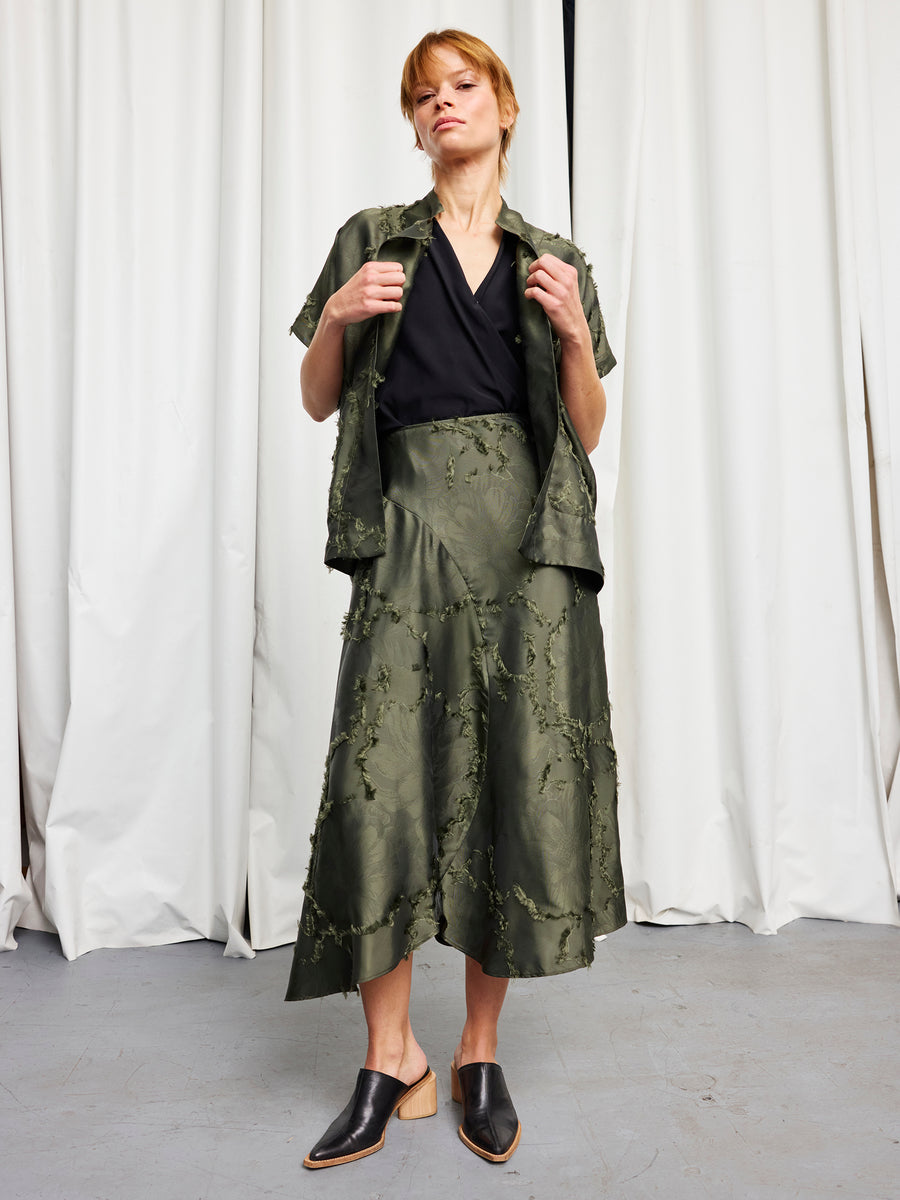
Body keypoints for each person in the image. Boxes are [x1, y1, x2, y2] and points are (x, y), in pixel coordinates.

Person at [285, 28, 627, 1169]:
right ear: (414, 123)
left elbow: (582, 428)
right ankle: (392, 1060)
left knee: (507, 792)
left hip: (525, 551)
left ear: (507, 105)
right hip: (406, 536)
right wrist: (338, 316)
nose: (443, 108)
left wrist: (576, 332)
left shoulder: (553, 258)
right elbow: (317, 401)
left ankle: (478, 1051)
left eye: (462, 87)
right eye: (423, 97)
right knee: (378, 787)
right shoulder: (371, 243)